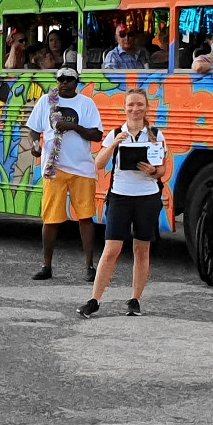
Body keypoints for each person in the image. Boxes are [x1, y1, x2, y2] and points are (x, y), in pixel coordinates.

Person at [78, 87, 166, 318]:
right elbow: (99, 164)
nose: (135, 109)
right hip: (120, 196)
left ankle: (135, 299)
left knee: (141, 248)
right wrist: (115, 143)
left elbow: (163, 169)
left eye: (140, 104)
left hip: (147, 197)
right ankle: (94, 299)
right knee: (111, 249)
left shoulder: (156, 134)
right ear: (124, 108)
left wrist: (153, 171)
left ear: (147, 107)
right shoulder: (117, 132)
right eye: (131, 105)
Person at [25, 67, 104, 281]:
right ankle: (46, 266)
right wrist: (35, 144)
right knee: (50, 219)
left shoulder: (86, 104)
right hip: (54, 167)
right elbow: (33, 128)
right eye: (61, 79)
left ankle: (90, 267)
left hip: (82, 169)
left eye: (69, 79)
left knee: (86, 217)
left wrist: (74, 127)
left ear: (77, 82)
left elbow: (97, 135)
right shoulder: (46, 101)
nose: (64, 83)